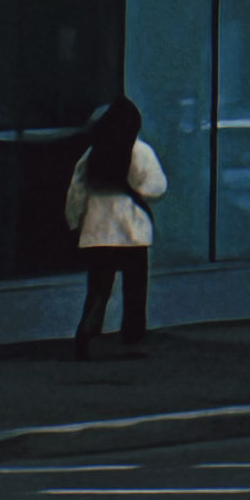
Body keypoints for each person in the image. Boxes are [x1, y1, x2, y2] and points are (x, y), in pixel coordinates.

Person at [65, 97, 165, 355]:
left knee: (99, 287)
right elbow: (156, 187)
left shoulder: (93, 153)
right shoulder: (140, 150)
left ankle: (88, 331)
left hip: (97, 229)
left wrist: (74, 221)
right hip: (132, 230)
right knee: (135, 286)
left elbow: (77, 191)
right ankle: (133, 336)